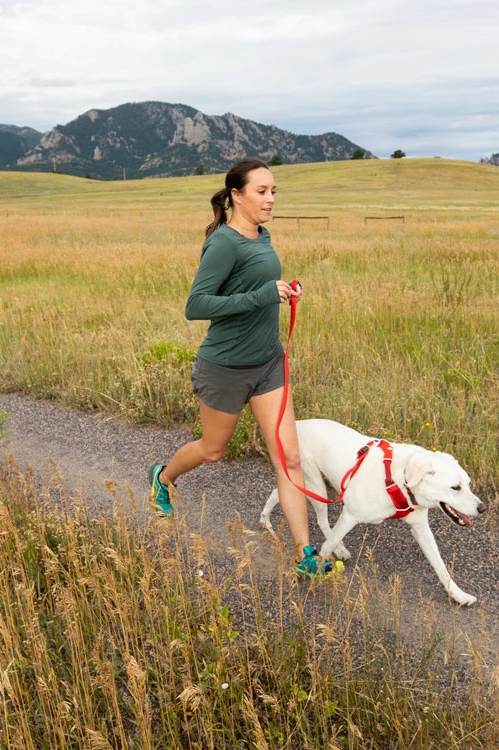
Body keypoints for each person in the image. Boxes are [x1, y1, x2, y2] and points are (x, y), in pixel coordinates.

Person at [148, 157, 331, 577]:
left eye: (273, 192)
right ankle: (163, 478)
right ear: (236, 195)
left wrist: (280, 291)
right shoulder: (224, 243)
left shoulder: (261, 237)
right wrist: (263, 294)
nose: (270, 199)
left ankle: (305, 555)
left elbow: (255, 287)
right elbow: (196, 306)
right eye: (261, 192)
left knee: (289, 457)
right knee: (212, 451)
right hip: (226, 367)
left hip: (269, 363)